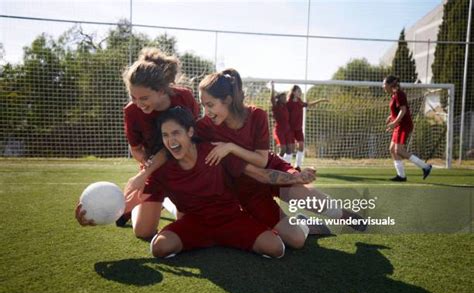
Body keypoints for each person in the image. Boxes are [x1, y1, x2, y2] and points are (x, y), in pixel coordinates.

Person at [197, 69, 366, 233]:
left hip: (271, 165)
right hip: (246, 189)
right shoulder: (204, 127)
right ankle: (304, 223)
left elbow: (262, 161)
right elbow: (182, 132)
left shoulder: (257, 115)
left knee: (304, 195)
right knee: (293, 239)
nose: (206, 112)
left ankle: (345, 216)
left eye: (210, 105)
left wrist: (231, 147)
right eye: (203, 105)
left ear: (227, 100)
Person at [147, 107, 316, 258]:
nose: (171, 140)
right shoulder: (163, 167)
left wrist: (296, 177)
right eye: (165, 135)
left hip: (230, 218)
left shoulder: (215, 152)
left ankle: (301, 223)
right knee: (160, 248)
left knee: (276, 248)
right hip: (195, 222)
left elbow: (260, 174)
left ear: (190, 132)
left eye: (176, 133)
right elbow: (142, 195)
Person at [77, 47, 200, 239]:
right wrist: (145, 174)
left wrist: (145, 173)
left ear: (160, 90)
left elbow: (188, 141)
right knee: (143, 232)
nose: (139, 103)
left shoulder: (184, 98)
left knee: (190, 225)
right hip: (154, 168)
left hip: (183, 166)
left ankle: (169, 201)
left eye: (144, 98)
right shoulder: (131, 112)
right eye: (133, 97)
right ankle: (141, 207)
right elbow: (135, 149)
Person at [383, 75, 432, 182]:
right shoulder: (394, 95)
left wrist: (394, 122)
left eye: (384, 84)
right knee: (392, 149)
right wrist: (391, 117)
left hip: (404, 125)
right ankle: (401, 176)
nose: (383, 86)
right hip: (398, 125)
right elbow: (398, 110)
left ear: (390, 85)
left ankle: (425, 167)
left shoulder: (399, 94)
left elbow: (403, 110)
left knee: (399, 150)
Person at [285, 85, 328, 170]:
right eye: (298, 91)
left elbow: (309, 104)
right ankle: (286, 166)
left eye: (300, 91)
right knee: (291, 148)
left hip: (298, 129)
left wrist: (321, 100)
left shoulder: (300, 102)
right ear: (293, 92)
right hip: (290, 129)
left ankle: (298, 166)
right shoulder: (288, 103)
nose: (300, 93)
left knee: (301, 146)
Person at [270, 81, 292, 159]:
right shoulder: (276, 107)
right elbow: (272, 99)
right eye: (283, 97)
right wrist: (272, 87)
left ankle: (287, 166)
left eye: (285, 97)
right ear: (279, 99)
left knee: (290, 149)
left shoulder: (285, 106)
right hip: (279, 130)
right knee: (283, 149)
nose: (285, 98)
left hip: (287, 130)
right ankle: (276, 164)